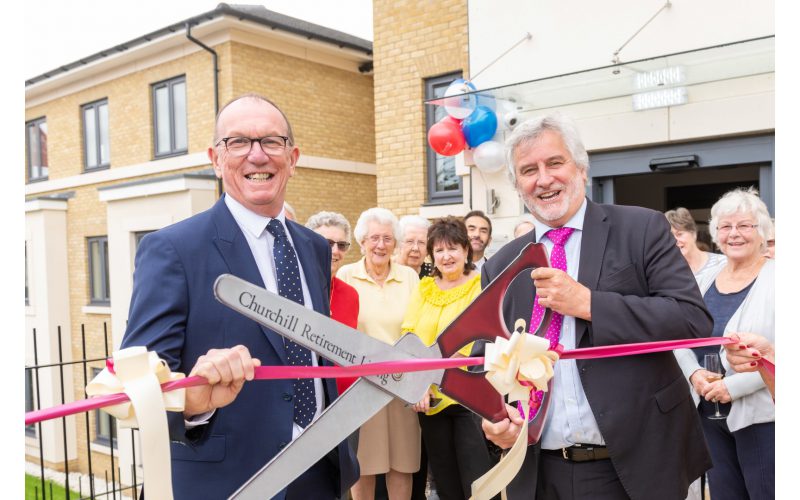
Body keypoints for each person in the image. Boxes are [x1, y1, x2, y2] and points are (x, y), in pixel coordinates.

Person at [120, 94, 358, 500]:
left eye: (271, 142)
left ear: (293, 157)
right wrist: (194, 402)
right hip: (227, 483)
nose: (257, 155)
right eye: (238, 142)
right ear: (215, 158)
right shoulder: (174, 249)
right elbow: (139, 382)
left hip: (319, 473)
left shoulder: (315, 248)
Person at [479, 113, 713, 500]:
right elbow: (482, 359)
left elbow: (691, 320)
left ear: (581, 168)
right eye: (528, 170)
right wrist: (493, 417)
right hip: (539, 471)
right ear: (518, 186)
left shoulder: (641, 229)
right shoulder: (500, 264)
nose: (544, 178)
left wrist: (590, 304)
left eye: (555, 162)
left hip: (638, 467)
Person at [674, 188, 775, 499]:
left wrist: (735, 387)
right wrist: (693, 374)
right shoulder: (702, 279)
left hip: (762, 416)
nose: (734, 234)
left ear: (762, 232)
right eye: (725, 226)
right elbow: (678, 335)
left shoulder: (781, 278)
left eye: (745, 225)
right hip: (707, 412)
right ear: (715, 233)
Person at [402, 216, 492, 499]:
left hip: (471, 397)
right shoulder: (424, 288)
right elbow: (410, 339)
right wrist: (417, 386)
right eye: (439, 250)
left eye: (452, 248)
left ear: (466, 250)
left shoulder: (481, 285)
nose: (446, 256)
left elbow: (490, 337)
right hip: (432, 399)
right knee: (445, 481)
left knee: (478, 481)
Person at [337, 207, 421, 500]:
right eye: (374, 238)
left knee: (402, 464)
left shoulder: (410, 277)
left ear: (395, 243)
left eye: (387, 238)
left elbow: (419, 330)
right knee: (364, 466)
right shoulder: (347, 275)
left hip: (402, 383)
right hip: (363, 385)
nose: (381, 245)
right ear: (362, 242)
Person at [306, 211, 360, 394]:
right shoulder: (295, 290)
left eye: (342, 245)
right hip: (308, 398)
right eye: (327, 243)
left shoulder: (350, 295)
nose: (335, 251)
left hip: (347, 399)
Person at [665, 207, 726, 282]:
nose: (674, 240)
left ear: (694, 234)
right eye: (670, 236)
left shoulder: (722, 263)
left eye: (679, 234)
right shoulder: (667, 272)